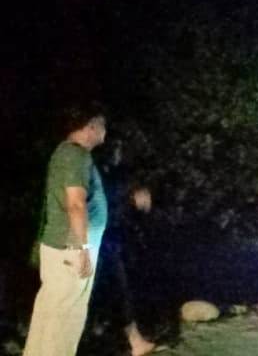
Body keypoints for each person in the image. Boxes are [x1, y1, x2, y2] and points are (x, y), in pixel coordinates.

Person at [24, 104, 109, 356]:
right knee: (65, 317)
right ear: (91, 126)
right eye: (102, 125)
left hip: (62, 247)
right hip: (70, 248)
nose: (105, 131)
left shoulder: (65, 153)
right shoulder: (75, 155)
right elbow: (75, 203)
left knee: (50, 312)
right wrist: (81, 247)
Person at [94, 140, 162, 355]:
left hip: (106, 239)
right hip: (101, 240)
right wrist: (132, 195)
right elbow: (110, 200)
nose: (119, 155)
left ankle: (119, 335)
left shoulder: (108, 173)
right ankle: (132, 341)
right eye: (116, 150)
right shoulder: (100, 174)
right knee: (117, 289)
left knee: (112, 290)